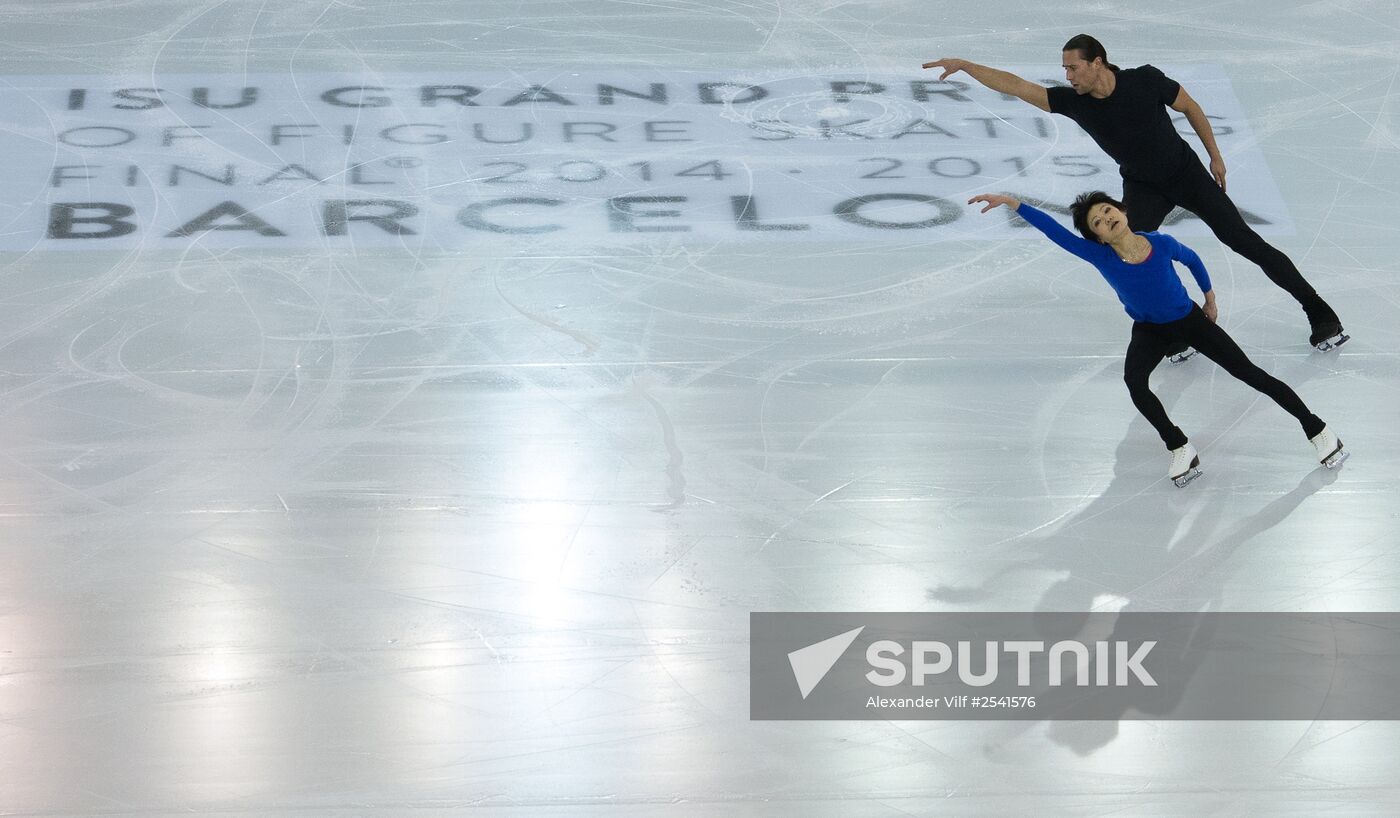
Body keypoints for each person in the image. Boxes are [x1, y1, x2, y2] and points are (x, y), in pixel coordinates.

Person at [924, 35, 1348, 354]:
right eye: (1066, 70)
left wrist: (1215, 158)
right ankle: (1178, 327)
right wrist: (965, 64)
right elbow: (1016, 85)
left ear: (1098, 62)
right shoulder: (1075, 102)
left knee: (1245, 242)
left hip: (1187, 175)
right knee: (1134, 256)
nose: (1067, 76)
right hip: (1143, 187)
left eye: (1073, 68)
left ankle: (1319, 312)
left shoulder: (1145, 81)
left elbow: (1191, 108)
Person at [967, 189, 1348, 485]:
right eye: (1097, 221)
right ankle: (1179, 445)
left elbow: (1193, 260)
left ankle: (1317, 428)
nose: (1105, 218)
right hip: (1149, 329)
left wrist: (1209, 297)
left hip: (1189, 321)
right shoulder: (1100, 257)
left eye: (1107, 210)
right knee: (1135, 382)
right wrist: (1015, 204)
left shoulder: (1160, 243)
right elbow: (1055, 233)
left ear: (1123, 211)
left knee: (1249, 373)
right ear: (1096, 238)